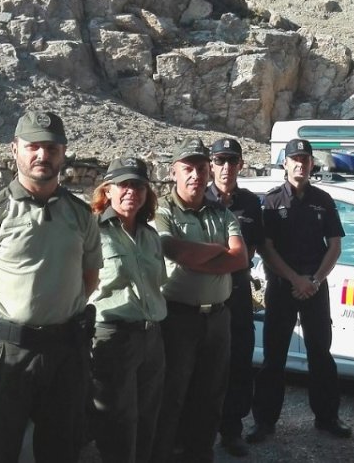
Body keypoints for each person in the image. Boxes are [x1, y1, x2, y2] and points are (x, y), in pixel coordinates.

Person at [0, 110, 102, 463]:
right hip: (5, 356)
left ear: (63, 153)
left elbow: (90, 279)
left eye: (51, 148)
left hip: (65, 353)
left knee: (62, 450)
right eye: (33, 147)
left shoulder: (80, 215)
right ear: (15, 149)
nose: (42, 156)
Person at [151, 138, 249, 463]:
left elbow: (240, 259)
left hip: (218, 319)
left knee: (210, 395)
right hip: (178, 318)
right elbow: (174, 250)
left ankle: (200, 454)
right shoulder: (162, 210)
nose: (195, 175)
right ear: (174, 172)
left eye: (202, 169)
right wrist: (219, 250)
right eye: (188, 169)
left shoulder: (221, 211)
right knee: (173, 394)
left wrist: (201, 255)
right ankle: (164, 454)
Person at [248, 138, 352, 444]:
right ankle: (264, 421)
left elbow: (334, 245)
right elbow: (266, 249)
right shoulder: (270, 201)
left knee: (320, 354)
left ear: (310, 164)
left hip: (316, 287)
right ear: (285, 164)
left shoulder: (323, 199)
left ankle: (327, 418)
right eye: (294, 159)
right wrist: (295, 279)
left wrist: (315, 280)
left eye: (305, 159)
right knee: (274, 356)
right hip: (282, 287)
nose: (300, 164)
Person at [88, 157, 168, 463]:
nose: (131, 192)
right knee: (117, 425)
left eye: (138, 185)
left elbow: (158, 283)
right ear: (108, 190)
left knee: (148, 419)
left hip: (151, 339)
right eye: (123, 185)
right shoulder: (92, 231)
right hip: (112, 338)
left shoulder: (150, 236)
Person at [204, 138, 265, 458]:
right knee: (203, 363)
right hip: (203, 290)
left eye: (233, 161)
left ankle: (232, 430)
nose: (226, 167)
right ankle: (197, 432)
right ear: (211, 164)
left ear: (241, 165)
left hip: (238, 290)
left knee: (240, 360)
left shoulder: (251, 203)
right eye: (220, 160)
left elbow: (252, 249)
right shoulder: (198, 198)